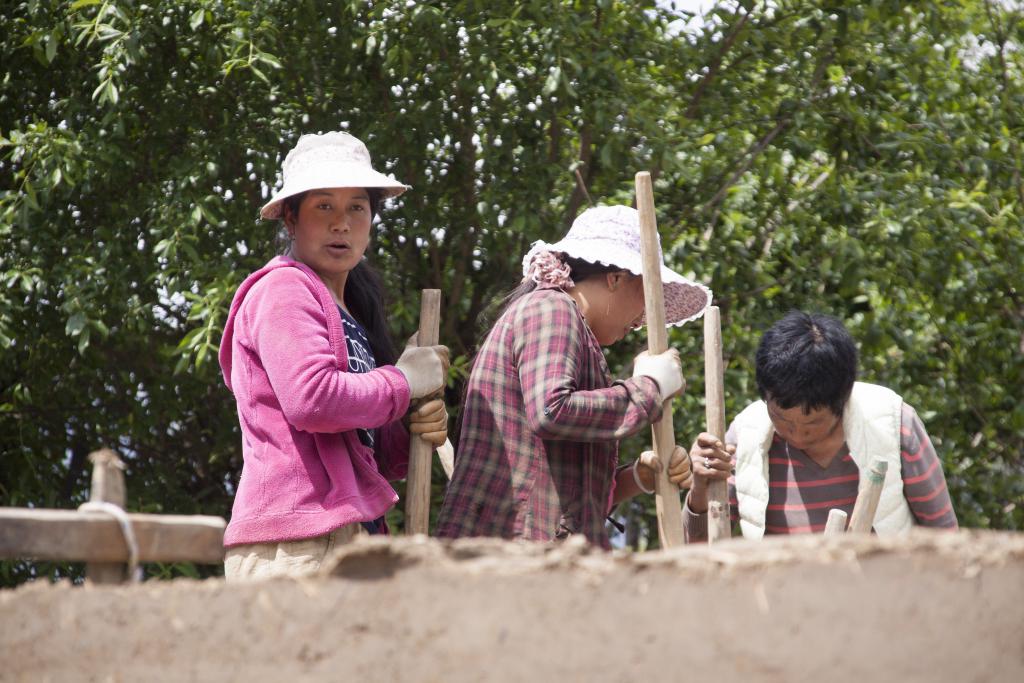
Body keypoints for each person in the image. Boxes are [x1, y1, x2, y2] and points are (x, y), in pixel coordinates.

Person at [218, 132, 449, 580]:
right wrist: (402, 383)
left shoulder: (351, 316)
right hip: (295, 539)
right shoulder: (283, 289)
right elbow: (314, 400)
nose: (341, 223)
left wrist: (412, 423)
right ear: (290, 218)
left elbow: (370, 454)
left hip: (348, 532)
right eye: (324, 206)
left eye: (356, 208)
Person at [435, 205, 712, 548]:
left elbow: (562, 491)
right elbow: (553, 411)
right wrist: (648, 390)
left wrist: (638, 479)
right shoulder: (553, 308)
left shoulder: (567, 324)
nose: (643, 314)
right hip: (513, 556)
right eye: (644, 294)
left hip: (521, 550)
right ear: (616, 277)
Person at [685, 310, 958, 541]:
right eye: (782, 419)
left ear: (842, 400)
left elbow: (944, 535)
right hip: (784, 599)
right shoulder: (745, 436)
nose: (797, 434)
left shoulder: (893, 425)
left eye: (813, 422)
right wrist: (700, 488)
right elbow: (696, 549)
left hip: (885, 598)